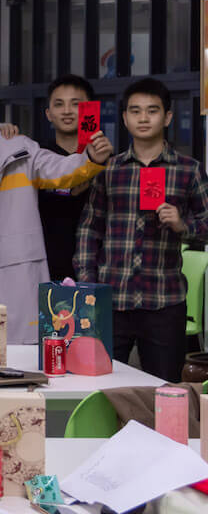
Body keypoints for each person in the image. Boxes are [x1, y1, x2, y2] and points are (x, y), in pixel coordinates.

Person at [0, 68, 112, 345]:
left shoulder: (19, 149)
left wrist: (91, 158)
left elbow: (59, 170)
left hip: (10, 274)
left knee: (12, 360)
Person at [76, 78, 208, 382]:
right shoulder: (109, 169)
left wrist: (183, 225)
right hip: (111, 299)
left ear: (168, 117)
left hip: (164, 300)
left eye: (152, 110)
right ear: (124, 118)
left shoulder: (188, 169)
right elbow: (89, 229)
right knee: (101, 387)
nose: (143, 118)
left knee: (162, 389)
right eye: (135, 111)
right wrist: (87, 285)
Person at [38, 75, 97, 283]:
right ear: (48, 114)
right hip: (46, 269)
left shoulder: (105, 159)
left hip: (96, 269)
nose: (67, 111)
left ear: (90, 110)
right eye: (59, 104)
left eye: (75, 104)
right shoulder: (37, 158)